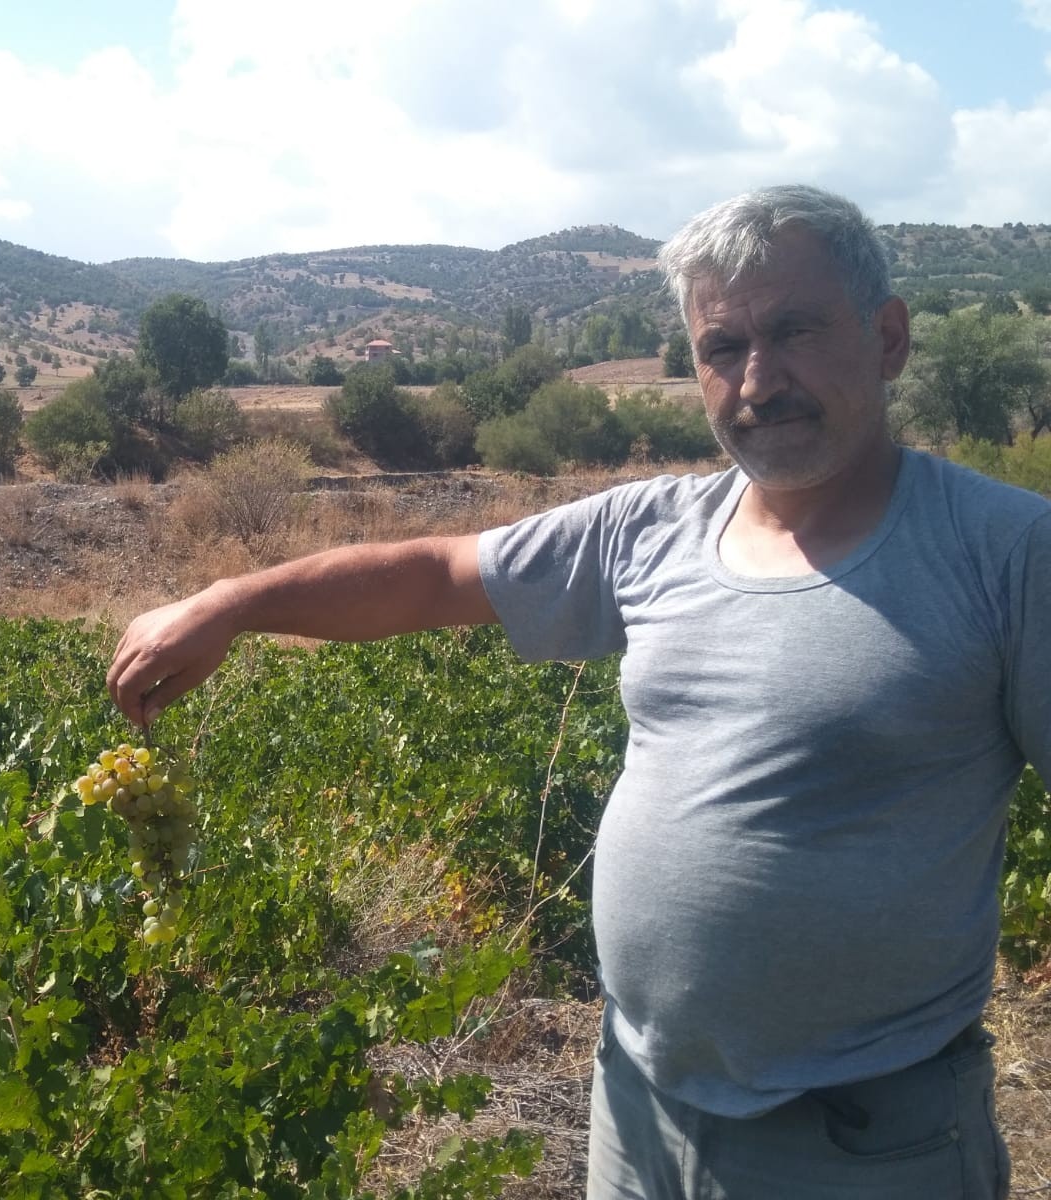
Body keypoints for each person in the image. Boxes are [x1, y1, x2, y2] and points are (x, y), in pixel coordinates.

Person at [108, 184, 1051, 1199]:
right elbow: (433, 573)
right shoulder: (652, 531)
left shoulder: (1004, 553)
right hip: (640, 1114)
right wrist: (232, 602)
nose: (757, 380)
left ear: (889, 340)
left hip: (861, 1144)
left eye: (793, 332)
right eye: (720, 347)